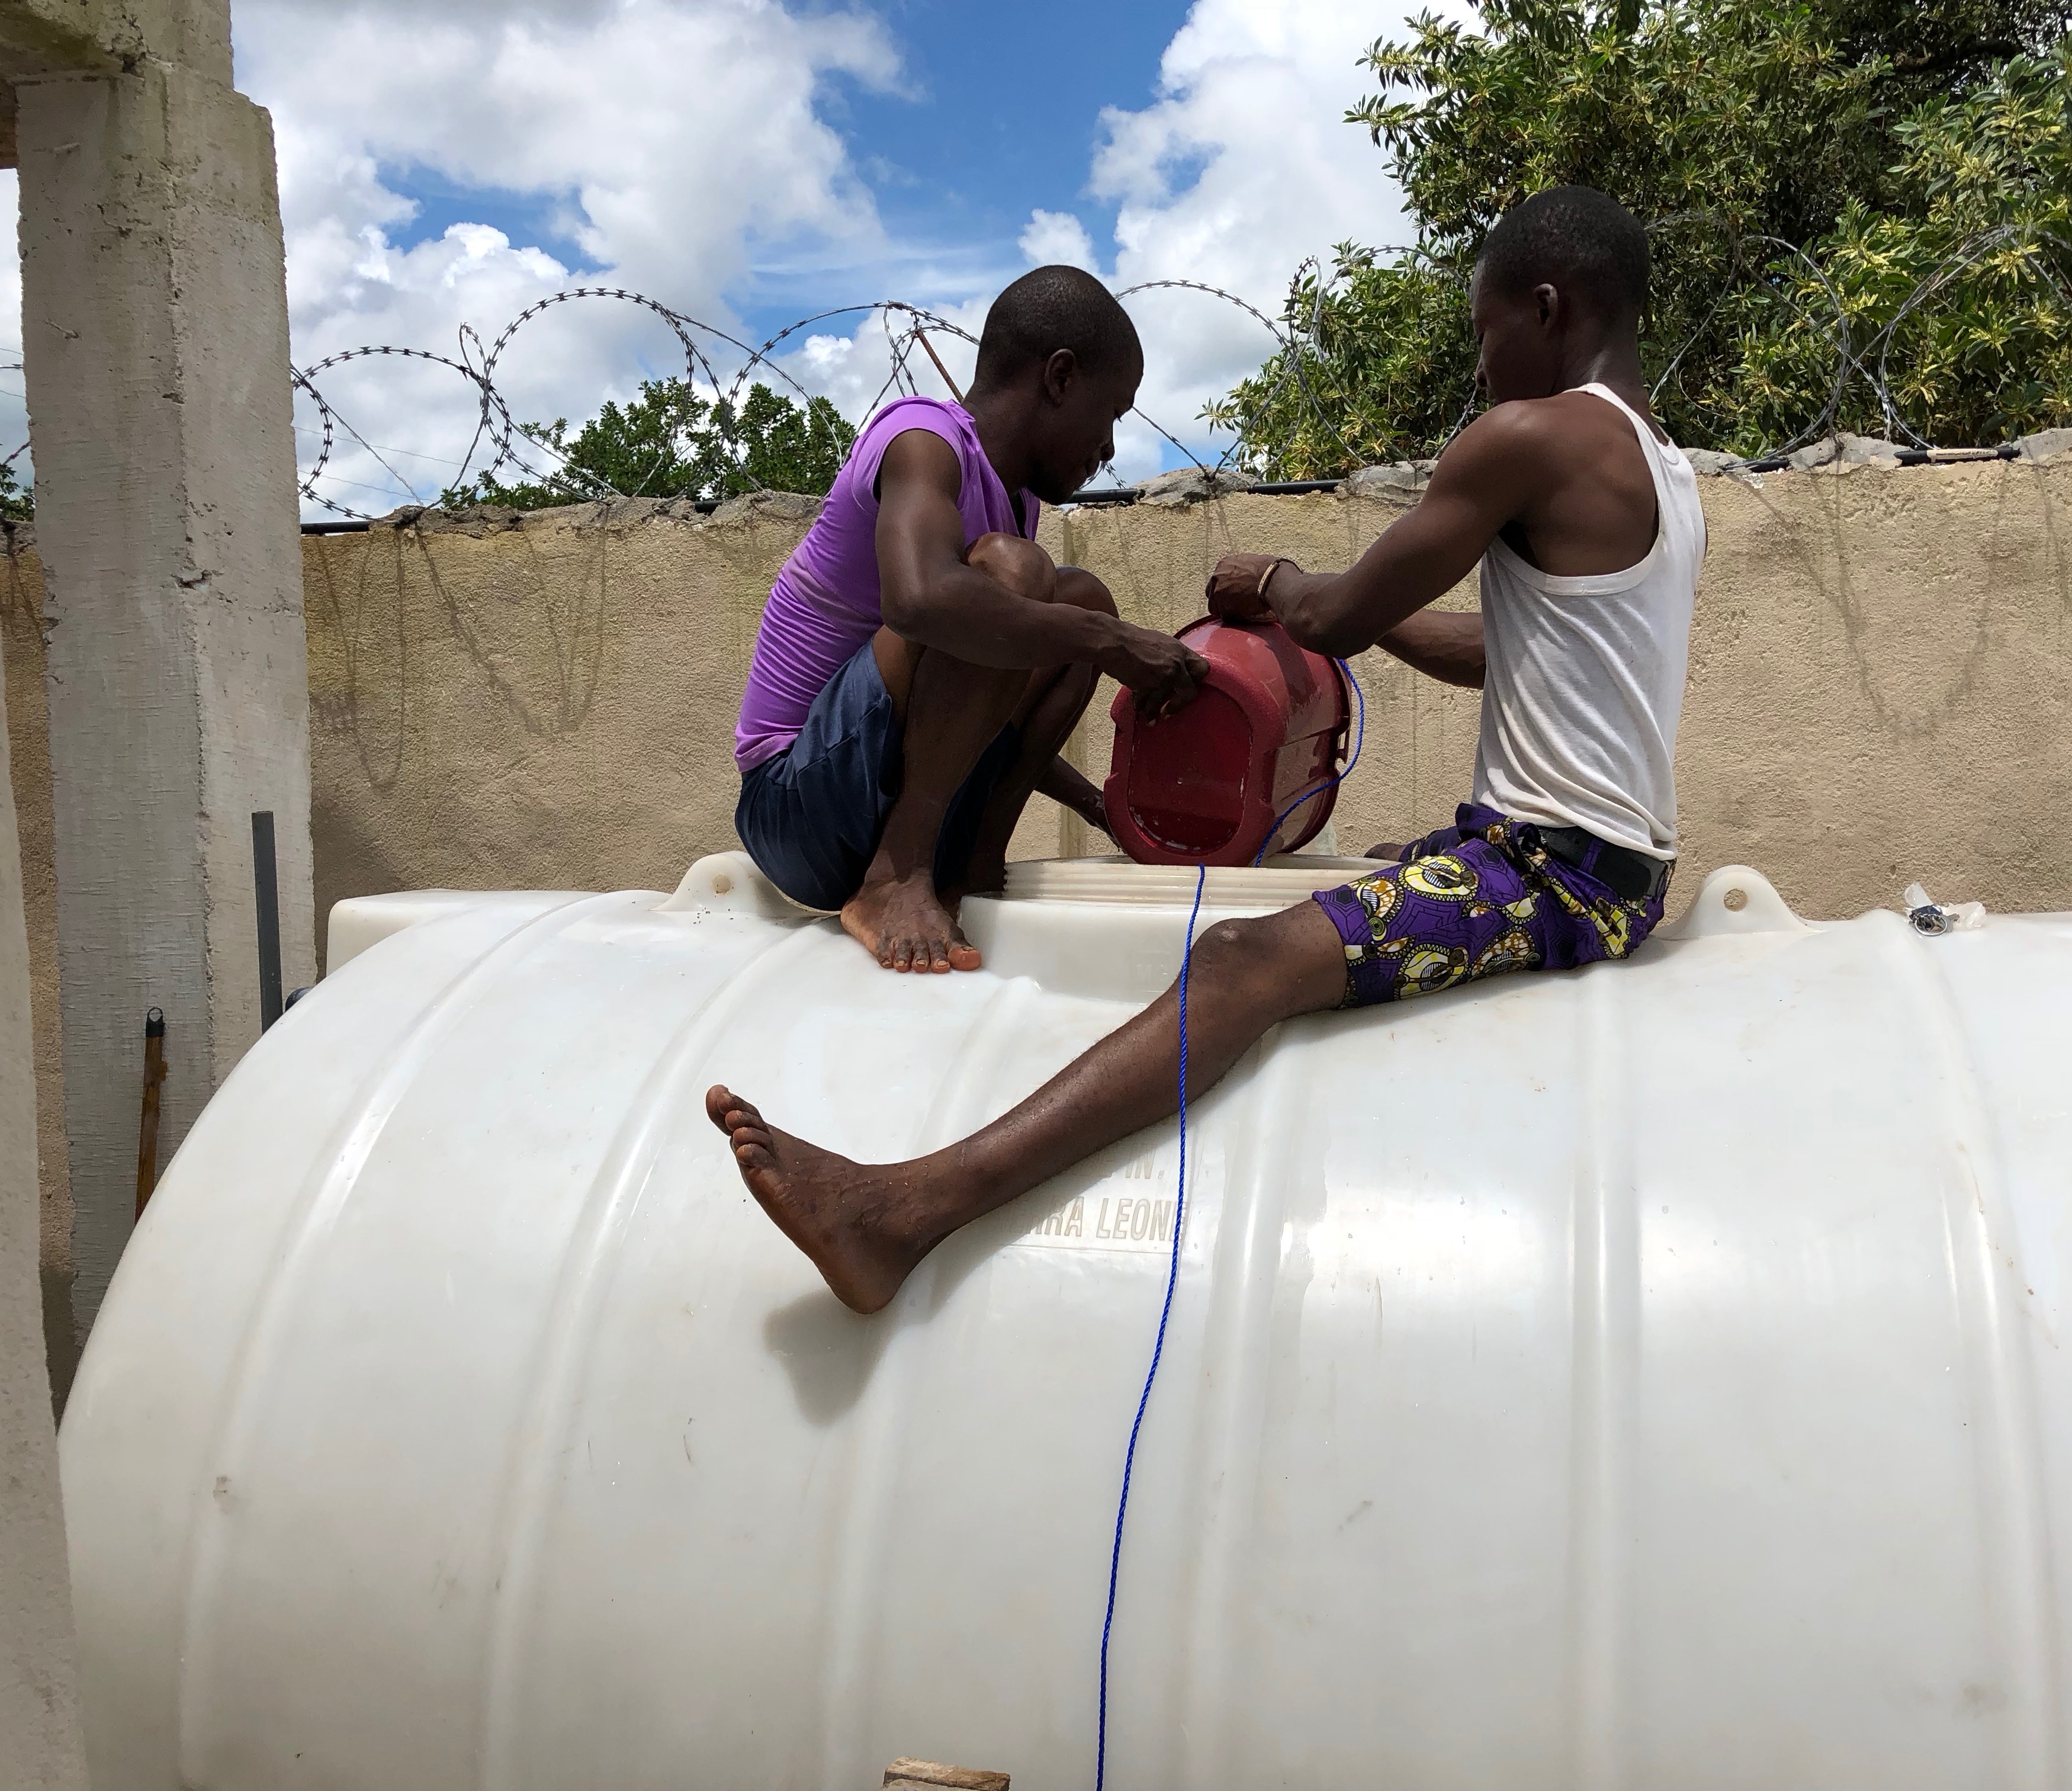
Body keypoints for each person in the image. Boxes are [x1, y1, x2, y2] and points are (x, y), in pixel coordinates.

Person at [708, 187, 1705, 1314]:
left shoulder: (1530, 437)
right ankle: (940, 870)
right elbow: (1495, 650)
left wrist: (1273, 585)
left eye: (1485, 332)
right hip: (1598, 864)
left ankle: (901, 1213)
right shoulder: (1663, 470)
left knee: (1240, 960)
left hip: (1552, 875)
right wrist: (1123, 756)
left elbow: (1331, 616)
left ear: (1546, 307)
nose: (1480, 369)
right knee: (1072, 618)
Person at [731, 264, 1206, 973]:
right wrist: (1113, 645)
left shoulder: (1018, 501)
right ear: (1061, 377)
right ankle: (897, 876)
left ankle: (972, 865)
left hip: (886, 797)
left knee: (1078, 598)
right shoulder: (922, 441)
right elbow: (918, 601)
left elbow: (965, 709)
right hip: (796, 810)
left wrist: (1101, 808)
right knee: (1021, 582)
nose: (1110, 447)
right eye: (1113, 412)